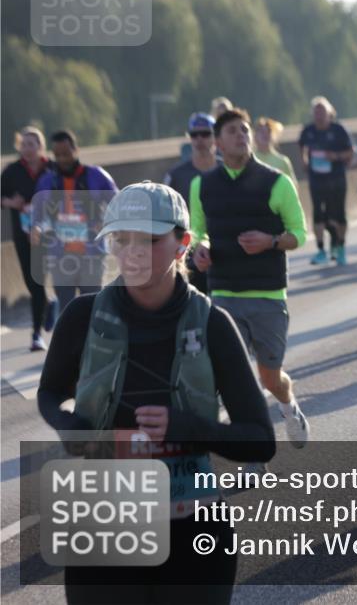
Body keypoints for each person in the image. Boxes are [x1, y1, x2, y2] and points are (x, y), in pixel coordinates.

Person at [37, 180, 275, 605]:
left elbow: (260, 438)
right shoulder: (81, 317)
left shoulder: (213, 324)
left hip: (193, 532)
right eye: (121, 239)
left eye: (148, 239)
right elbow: (50, 393)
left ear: (182, 243)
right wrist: (70, 426)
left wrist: (187, 428)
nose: (132, 252)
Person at [190, 108, 310, 448]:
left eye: (244, 130)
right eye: (232, 131)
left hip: (268, 295)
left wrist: (271, 241)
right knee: (236, 379)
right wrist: (200, 249)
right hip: (224, 293)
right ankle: (254, 453)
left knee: (270, 379)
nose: (241, 135)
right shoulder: (203, 185)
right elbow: (198, 231)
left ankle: (289, 407)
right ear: (216, 142)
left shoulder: (277, 181)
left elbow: (299, 234)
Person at [32, 130, 118, 315]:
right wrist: (36, 228)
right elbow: (37, 213)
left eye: (66, 153)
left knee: (93, 307)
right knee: (67, 310)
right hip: (59, 256)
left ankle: (92, 342)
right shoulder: (47, 182)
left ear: (76, 150)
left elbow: (117, 203)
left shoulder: (97, 176)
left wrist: (105, 221)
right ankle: (69, 343)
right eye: (58, 155)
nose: (63, 159)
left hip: (92, 254)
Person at [1, 126, 57, 350]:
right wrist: (9, 203)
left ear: (41, 146)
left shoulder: (52, 169)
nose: (26, 149)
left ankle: (35, 334)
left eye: (31, 144)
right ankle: (47, 303)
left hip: (50, 233)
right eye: (23, 144)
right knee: (32, 281)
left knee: (39, 277)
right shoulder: (12, 171)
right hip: (23, 234)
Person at [164, 113, 224, 294]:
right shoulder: (176, 175)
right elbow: (162, 209)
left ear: (215, 136)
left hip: (223, 244)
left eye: (205, 134)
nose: (200, 139)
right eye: (194, 135)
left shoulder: (227, 170)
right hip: (188, 248)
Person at [298, 96, 355, 266]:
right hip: (316, 179)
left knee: (338, 215)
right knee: (318, 215)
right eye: (316, 112)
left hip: (336, 178)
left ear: (330, 113)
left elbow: (351, 152)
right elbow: (302, 147)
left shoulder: (338, 130)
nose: (319, 115)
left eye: (322, 112)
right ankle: (321, 249)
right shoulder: (308, 131)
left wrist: (335, 156)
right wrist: (305, 162)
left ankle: (340, 247)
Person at [254, 117, 298, 185]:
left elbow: (293, 185)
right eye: (262, 132)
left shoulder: (283, 161)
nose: (265, 134)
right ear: (255, 136)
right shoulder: (249, 159)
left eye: (268, 131)